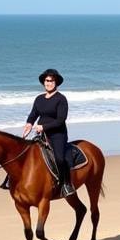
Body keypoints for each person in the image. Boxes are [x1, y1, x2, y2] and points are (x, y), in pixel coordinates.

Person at [23, 68, 74, 197]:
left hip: (58, 134)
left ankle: (65, 184)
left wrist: (43, 127)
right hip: (41, 134)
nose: (48, 83)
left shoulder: (61, 99)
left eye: (51, 81)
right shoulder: (39, 99)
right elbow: (33, 114)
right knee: (25, 153)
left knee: (59, 158)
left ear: (56, 83)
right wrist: (29, 123)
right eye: (47, 80)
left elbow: (61, 120)